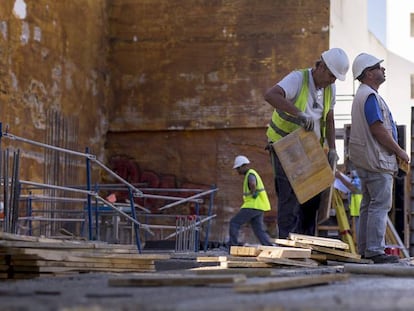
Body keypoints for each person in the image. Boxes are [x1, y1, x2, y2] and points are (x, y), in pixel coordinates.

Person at [264, 48, 350, 238]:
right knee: (289, 197)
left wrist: (333, 149)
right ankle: (287, 242)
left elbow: (329, 119)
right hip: (284, 145)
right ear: (320, 66)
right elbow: (271, 95)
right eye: (331, 75)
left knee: (312, 197)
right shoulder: (298, 79)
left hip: (309, 149)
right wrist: (299, 113)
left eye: (336, 78)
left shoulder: (330, 89)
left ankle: (306, 242)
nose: (333, 80)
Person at [349, 53, 410, 264]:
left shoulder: (363, 95)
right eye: (378, 67)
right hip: (377, 161)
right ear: (368, 73)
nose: (383, 70)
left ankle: (366, 249)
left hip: (366, 160)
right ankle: (375, 250)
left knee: (368, 204)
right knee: (380, 205)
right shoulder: (370, 96)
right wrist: (399, 151)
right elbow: (378, 129)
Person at [228, 155, 273, 247]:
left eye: (238, 168)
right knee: (258, 229)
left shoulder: (250, 174)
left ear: (243, 166)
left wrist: (253, 192)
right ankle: (269, 246)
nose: (237, 171)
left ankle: (232, 246)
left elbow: (252, 183)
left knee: (234, 222)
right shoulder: (252, 173)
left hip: (252, 205)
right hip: (259, 206)